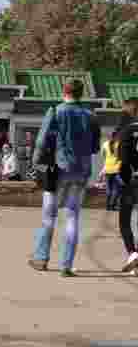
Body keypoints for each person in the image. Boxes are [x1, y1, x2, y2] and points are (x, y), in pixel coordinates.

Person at [29, 79, 100, 278]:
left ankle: (41, 259)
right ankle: (66, 266)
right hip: (81, 171)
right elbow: (95, 147)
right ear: (81, 93)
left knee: (49, 216)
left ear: (64, 91)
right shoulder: (91, 115)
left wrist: (35, 165)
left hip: (58, 169)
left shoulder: (55, 111)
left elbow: (42, 141)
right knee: (72, 217)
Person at [115, 98, 138, 273]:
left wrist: (124, 179)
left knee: (125, 221)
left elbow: (123, 162)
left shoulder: (127, 131)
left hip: (134, 181)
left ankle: (132, 252)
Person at [101, 128, 123, 211]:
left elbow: (103, 156)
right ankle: (112, 205)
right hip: (117, 170)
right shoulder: (119, 144)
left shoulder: (105, 144)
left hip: (107, 169)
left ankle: (108, 206)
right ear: (116, 136)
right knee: (118, 188)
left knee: (108, 189)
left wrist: (106, 163)